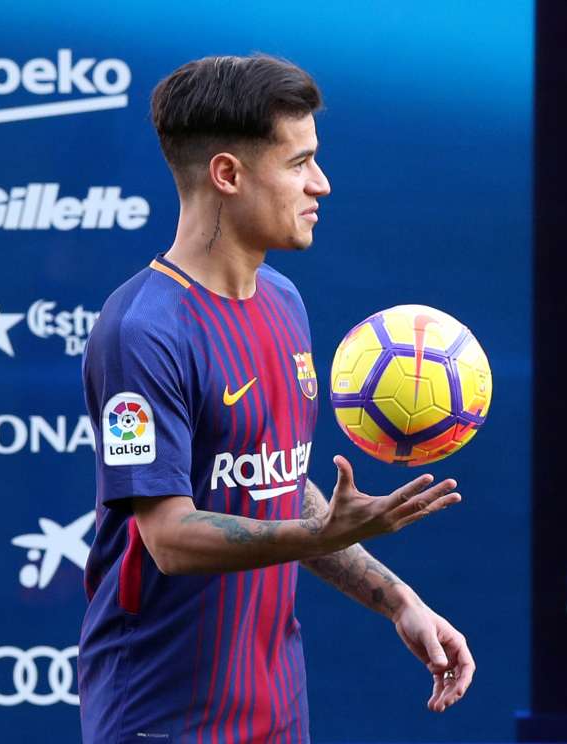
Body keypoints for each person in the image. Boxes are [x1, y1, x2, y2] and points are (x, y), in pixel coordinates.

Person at [78, 54, 474, 743]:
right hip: (161, 715)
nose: (322, 183)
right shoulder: (142, 330)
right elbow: (168, 538)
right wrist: (321, 535)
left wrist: (397, 600)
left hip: (278, 710)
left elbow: (279, 487)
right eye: (299, 163)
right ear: (227, 174)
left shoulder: (283, 301)